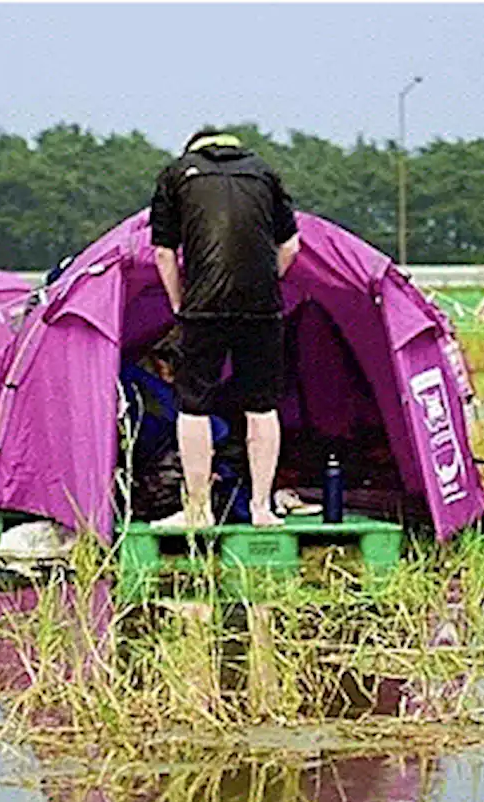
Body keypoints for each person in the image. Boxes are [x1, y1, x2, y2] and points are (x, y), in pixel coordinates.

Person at [149, 128, 301, 528]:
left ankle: (198, 510)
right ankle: (263, 508)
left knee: (194, 405)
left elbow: (164, 252)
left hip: (204, 307)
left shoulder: (176, 174)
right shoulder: (266, 174)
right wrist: (270, 284)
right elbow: (291, 246)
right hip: (261, 308)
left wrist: (180, 302)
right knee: (263, 406)